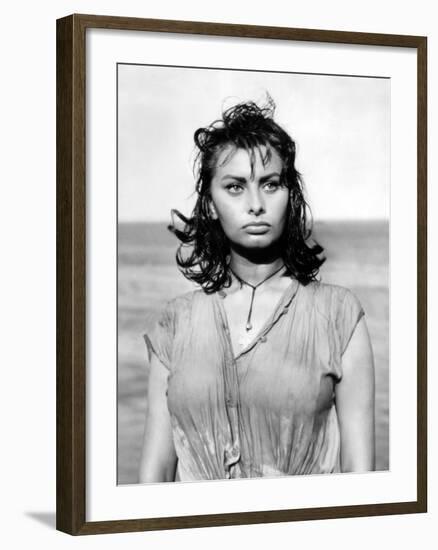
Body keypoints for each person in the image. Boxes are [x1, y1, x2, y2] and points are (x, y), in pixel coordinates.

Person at [139, 96, 375, 483]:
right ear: (210, 204)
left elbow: (360, 476)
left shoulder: (339, 315)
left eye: (270, 184)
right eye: (234, 187)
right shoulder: (175, 322)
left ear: (290, 195)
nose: (255, 204)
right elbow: (155, 475)